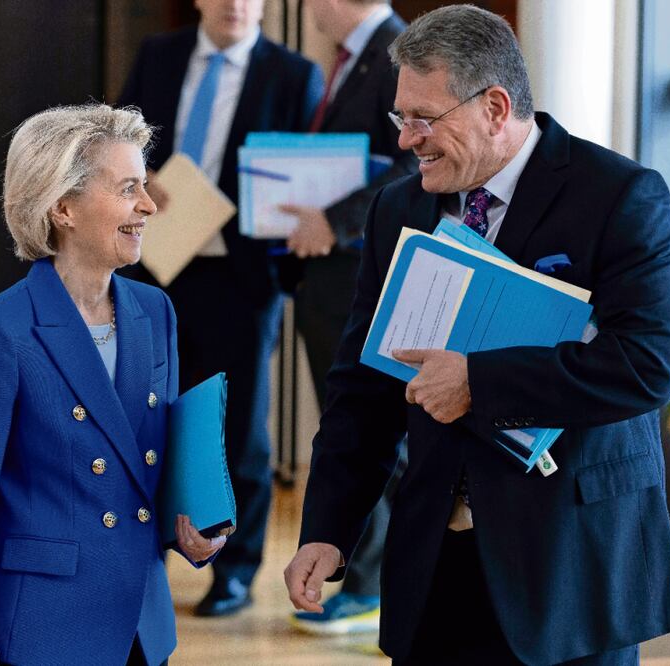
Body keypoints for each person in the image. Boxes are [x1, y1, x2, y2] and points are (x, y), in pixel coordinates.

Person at [284, 5, 670, 665]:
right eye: (399, 117)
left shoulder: (619, 196)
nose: (406, 139)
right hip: (434, 565)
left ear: (494, 108)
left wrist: (477, 382)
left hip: (569, 567)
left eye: (423, 118)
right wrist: (328, 528)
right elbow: (362, 385)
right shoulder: (398, 207)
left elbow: (643, 367)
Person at [0, 104, 224, 666]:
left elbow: (145, 472)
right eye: (128, 188)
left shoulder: (156, 310)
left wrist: (194, 528)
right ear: (63, 207)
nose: (148, 205)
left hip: (142, 622)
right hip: (43, 628)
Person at [118, 0, 323, 618]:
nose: (236, 5)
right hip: (156, 265)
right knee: (144, 410)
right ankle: (139, 549)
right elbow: (121, 141)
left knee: (238, 429)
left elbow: (299, 175)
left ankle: (234, 568)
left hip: (241, 275)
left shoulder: (291, 74)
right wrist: (138, 177)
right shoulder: (160, 55)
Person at [279, 0, 416, 636]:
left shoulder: (396, 53)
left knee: (371, 427)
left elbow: (411, 166)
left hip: (364, 268)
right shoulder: (347, 61)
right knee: (351, 424)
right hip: (330, 278)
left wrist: (334, 223)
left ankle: (368, 583)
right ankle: (365, 576)